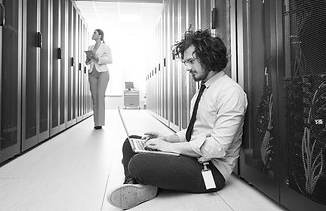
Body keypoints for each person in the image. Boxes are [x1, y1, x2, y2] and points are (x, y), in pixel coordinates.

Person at [107, 29, 248, 210]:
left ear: (209, 57)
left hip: (210, 169)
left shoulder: (231, 92)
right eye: (185, 62)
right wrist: (166, 138)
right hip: (191, 157)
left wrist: (169, 148)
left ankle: (139, 181)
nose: (187, 68)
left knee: (138, 163)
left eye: (191, 61)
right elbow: (194, 132)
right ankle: (136, 184)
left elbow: (217, 148)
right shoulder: (203, 90)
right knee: (132, 142)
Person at [86, 29, 112, 130]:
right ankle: (96, 122)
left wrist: (99, 59)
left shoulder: (106, 47)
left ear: (100, 36)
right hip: (92, 73)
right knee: (94, 97)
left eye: (95, 33)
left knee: (100, 96)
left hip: (103, 73)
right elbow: (87, 62)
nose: (93, 34)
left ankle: (100, 123)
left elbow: (110, 60)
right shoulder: (90, 47)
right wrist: (88, 59)